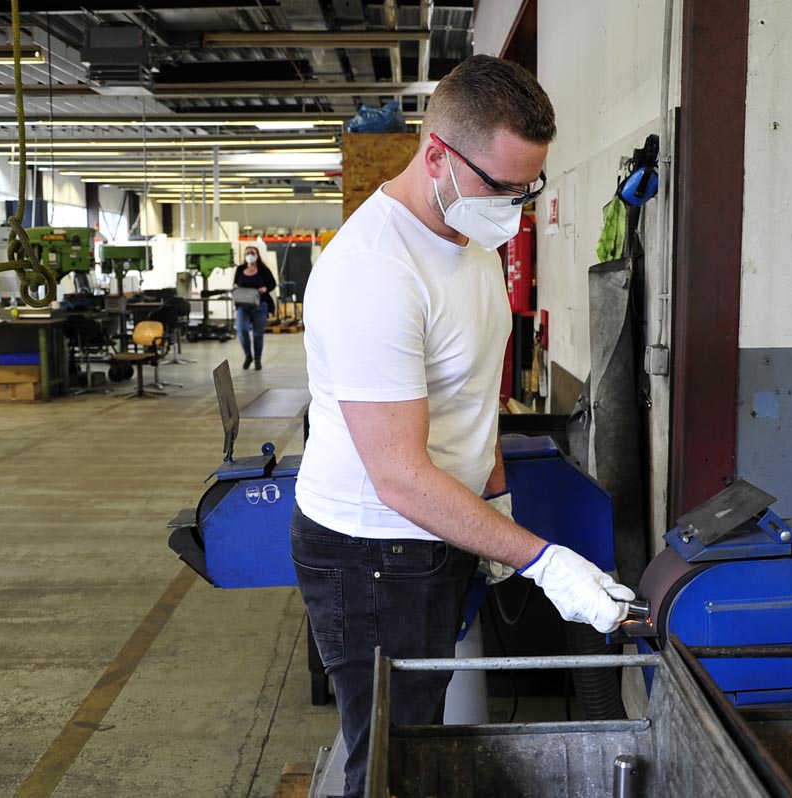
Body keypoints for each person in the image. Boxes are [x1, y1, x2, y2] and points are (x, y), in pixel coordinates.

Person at [292, 55, 637, 796]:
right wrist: (541, 559)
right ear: (437, 155)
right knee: (389, 756)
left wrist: (497, 501)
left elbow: (471, 399)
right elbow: (398, 477)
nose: (515, 208)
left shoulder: (470, 235)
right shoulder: (375, 273)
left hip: (436, 531)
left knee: (421, 737)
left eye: (528, 187)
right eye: (502, 187)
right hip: (373, 554)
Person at [232, 245, 277, 370]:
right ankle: (248, 356)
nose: (250, 255)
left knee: (258, 334)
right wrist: (236, 286)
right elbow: (236, 283)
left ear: (257, 255)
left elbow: (272, 283)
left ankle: (258, 359)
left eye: (252, 253)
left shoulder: (263, 270)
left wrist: (265, 288)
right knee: (242, 330)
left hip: (260, 305)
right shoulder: (240, 269)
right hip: (243, 305)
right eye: (247, 253)